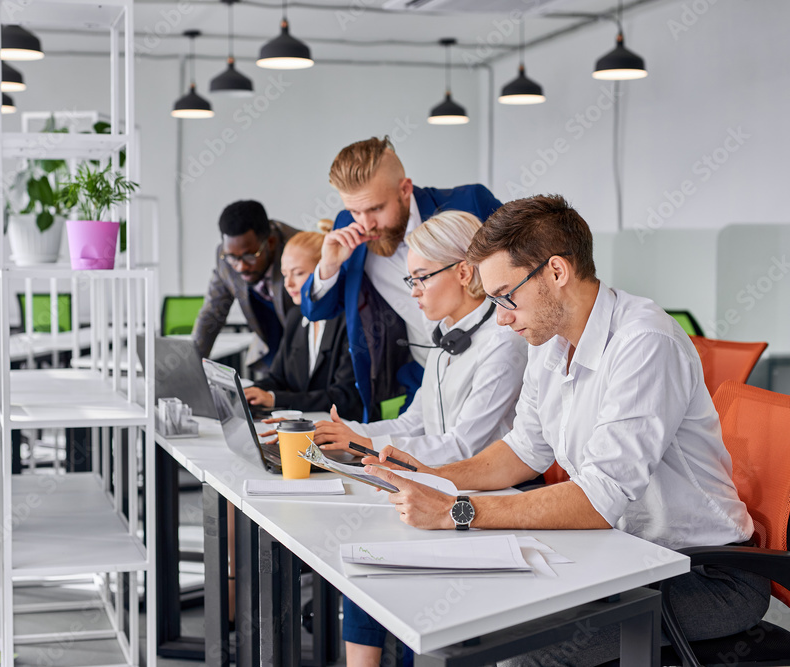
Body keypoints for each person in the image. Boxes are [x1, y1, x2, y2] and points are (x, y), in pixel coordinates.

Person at [361, 195, 771, 667]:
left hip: (704, 574)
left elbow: (601, 496)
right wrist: (437, 476)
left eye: (505, 296)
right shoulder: (549, 341)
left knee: (523, 652)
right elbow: (524, 449)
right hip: (623, 554)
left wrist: (455, 511)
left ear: (556, 272)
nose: (501, 316)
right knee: (475, 617)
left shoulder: (644, 342)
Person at [316, 210, 528, 667]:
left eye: (420, 279)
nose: (412, 292)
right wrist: (352, 438)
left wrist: (368, 448)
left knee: (380, 553)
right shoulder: (447, 338)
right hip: (438, 482)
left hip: (480, 493)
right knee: (363, 561)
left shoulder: (503, 344)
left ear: (464, 272)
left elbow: (463, 446)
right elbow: (416, 421)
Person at [301, 136, 502, 422]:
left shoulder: (469, 202)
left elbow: (524, 267)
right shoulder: (348, 228)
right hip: (420, 375)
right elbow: (317, 310)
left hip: (493, 363)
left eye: (376, 209)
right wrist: (329, 264)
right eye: (355, 211)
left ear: (405, 189)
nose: (365, 223)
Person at [243, 226, 364, 421]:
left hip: (346, 430)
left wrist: (273, 399)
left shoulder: (350, 321)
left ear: (324, 273)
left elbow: (343, 398)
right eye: (284, 274)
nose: (288, 284)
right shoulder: (295, 317)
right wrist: (247, 392)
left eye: (298, 273)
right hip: (304, 428)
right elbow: (277, 378)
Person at [192, 200, 298, 371]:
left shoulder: (297, 248)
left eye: (250, 256)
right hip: (270, 347)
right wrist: (192, 366)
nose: (240, 266)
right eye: (233, 257)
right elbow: (212, 313)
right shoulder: (225, 257)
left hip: (306, 347)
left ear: (269, 242)